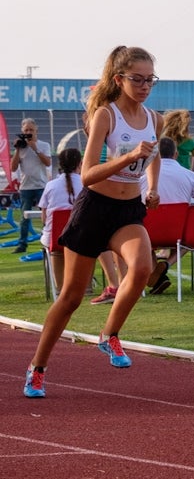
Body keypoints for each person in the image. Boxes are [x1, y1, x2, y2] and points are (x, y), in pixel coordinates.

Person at [23, 45, 163, 398]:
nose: (145, 86)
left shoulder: (154, 118)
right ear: (119, 79)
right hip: (95, 208)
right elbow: (87, 174)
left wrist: (153, 185)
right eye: (137, 79)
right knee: (70, 297)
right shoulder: (106, 115)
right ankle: (37, 368)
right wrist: (128, 156)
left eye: (150, 80)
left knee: (143, 268)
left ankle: (110, 334)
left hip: (128, 211)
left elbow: (154, 154)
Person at [141, 135, 194, 295]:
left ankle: (156, 275)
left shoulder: (142, 177)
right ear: (176, 154)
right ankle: (166, 265)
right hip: (178, 233)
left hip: (150, 232)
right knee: (189, 239)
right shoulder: (189, 175)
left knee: (146, 239)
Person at [38, 148, 84, 289]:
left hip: (55, 238)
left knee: (55, 246)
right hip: (80, 239)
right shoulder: (85, 184)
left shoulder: (50, 186)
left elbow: (44, 219)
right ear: (80, 163)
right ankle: (85, 285)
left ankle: (59, 286)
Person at [9, 118, 52, 254]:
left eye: (31, 130)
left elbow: (48, 163)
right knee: (24, 218)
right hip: (25, 187)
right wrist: (17, 150)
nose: (28, 133)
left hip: (41, 185)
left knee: (45, 215)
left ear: (36, 131)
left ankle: (47, 241)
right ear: (22, 132)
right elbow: (13, 168)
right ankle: (22, 244)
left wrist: (35, 148)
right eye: (26, 130)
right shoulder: (20, 147)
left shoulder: (44, 145)